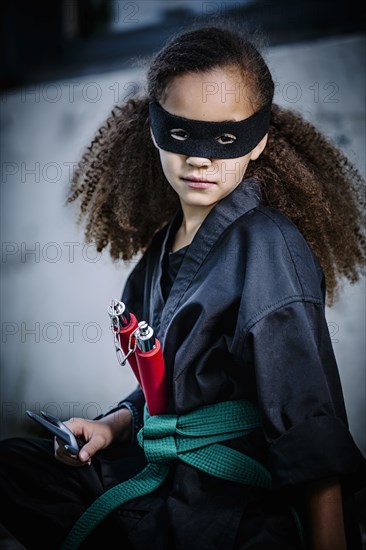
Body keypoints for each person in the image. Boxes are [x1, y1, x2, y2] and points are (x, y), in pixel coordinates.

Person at [1, 24, 366, 550]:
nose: (200, 158)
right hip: (158, 472)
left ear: (259, 139)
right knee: (16, 466)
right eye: (181, 133)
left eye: (225, 138)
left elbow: (308, 417)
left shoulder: (268, 247)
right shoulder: (161, 250)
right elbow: (167, 382)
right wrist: (113, 427)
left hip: (229, 501)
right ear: (153, 130)